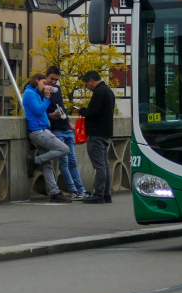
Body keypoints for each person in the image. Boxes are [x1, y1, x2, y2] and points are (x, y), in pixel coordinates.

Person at [24, 73, 71, 202]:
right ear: (36, 80)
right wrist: (47, 97)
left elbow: (41, 112)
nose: (45, 86)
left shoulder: (35, 94)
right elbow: (38, 110)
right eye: (44, 83)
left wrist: (51, 115)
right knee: (64, 149)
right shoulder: (29, 93)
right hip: (38, 131)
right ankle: (36, 161)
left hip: (43, 129)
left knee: (48, 164)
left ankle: (55, 192)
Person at [45, 67, 87, 200]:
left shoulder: (57, 90)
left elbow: (61, 107)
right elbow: (43, 111)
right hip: (56, 130)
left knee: (73, 161)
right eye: (51, 79)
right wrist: (52, 116)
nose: (53, 82)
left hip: (66, 128)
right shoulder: (43, 91)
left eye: (56, 79)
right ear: (46, 77)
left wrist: (69, 123)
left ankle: (80, 189)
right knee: (64, 161)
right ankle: (73, 190)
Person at [78, 70, 117, 203]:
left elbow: (92, 112)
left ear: (92, 80)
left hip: (96, 132)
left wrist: (81, 111)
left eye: (87, 84)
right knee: (105, 164)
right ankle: (106, 194)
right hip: (106, 132)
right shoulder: (109, 91)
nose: (87, 87)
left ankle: (99, 194)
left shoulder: (99, 92)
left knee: (99, 166)